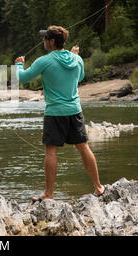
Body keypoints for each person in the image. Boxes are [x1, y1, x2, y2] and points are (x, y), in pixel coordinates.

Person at [14, 25, 105, 202]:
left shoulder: (44, 61)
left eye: (45, 38)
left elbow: (23, 78)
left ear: (52, 41)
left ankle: (49, 193)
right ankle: (99, 187)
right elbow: (79, 78)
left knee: (51, 151)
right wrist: (75, 56)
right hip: (74, 111)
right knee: (84, 147)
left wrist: (18, 65)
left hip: (55, 112)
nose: (43, 41)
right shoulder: (77, 59)